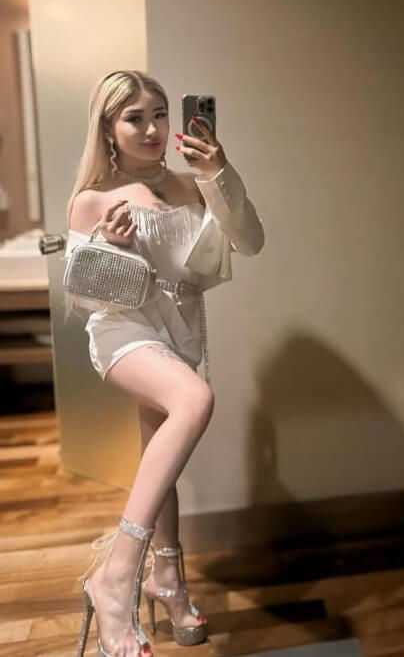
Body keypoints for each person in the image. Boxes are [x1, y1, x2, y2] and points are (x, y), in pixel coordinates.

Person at [66, 70, 264, 657]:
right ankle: (117, 576)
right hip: (124, 331)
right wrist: (112, 246)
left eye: (159, 114)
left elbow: (250, 241)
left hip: (181, 332)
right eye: (135, 118)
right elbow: (84, 298)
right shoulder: (93, 199)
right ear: (108, 128)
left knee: (161, 458)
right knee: (195, 400)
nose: (152, 129)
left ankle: (168, 577)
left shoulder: (192, 184)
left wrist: (218, 173)